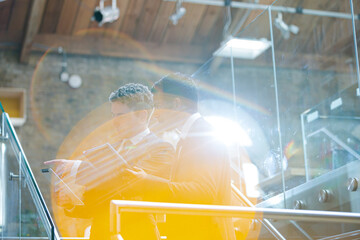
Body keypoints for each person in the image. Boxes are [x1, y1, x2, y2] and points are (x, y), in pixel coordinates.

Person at [45, 83, 175, 240]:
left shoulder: (161, 149)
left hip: (136, 235)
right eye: (113, 115)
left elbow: (129, 183)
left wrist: (76, 167)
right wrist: (73, 201)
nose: (114, 122)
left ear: (141, 115)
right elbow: (100, 199)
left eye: (120, 115)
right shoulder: (111, 148)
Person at [128, 73, 236, 240]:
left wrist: (146, 181)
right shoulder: (188, 137)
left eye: (158, 106)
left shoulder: (203, 135)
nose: (155, 115)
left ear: (176, 104)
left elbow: (203, 192)